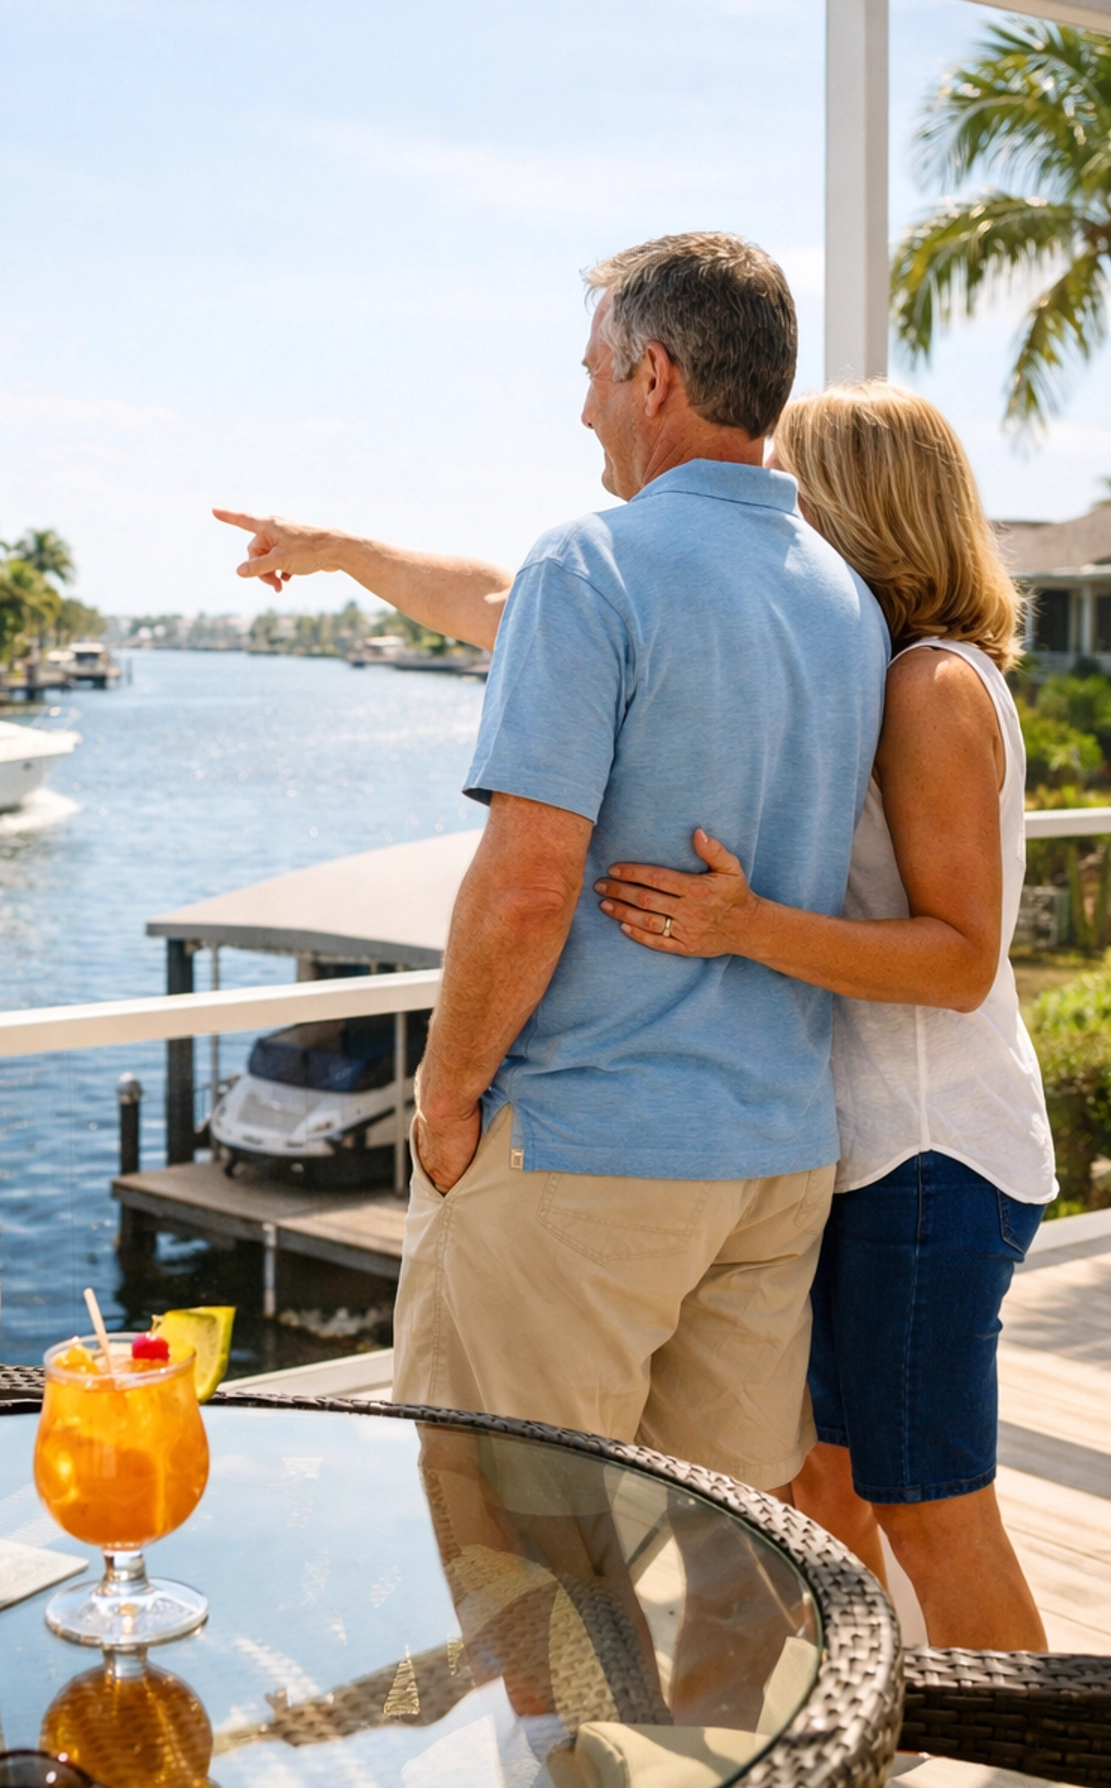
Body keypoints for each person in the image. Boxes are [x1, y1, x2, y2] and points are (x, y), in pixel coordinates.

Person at [217, 230, 889, 1499]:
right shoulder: (844, 601)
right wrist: (351, 549)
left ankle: (561, 1713)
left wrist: (444, 1101)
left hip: (584, 1153)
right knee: (732, 1570)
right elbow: (496, 601)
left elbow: (528, 886)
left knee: (519, 1565)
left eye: (591, 375)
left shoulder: (595, 562)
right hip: (775, 1163)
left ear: (653, 375)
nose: (581, 409)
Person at [596, 384, 1053, 1650]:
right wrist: (349, 553)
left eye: (794, 485)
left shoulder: (928, 687)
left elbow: (961, 962)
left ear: (854, 503)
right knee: (823, 1493)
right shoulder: (874, 673)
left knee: (935, 1515)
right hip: (874, 1157)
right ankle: (870, 1725)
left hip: (930, 1158)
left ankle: (1057, 1769)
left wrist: (742, 926)